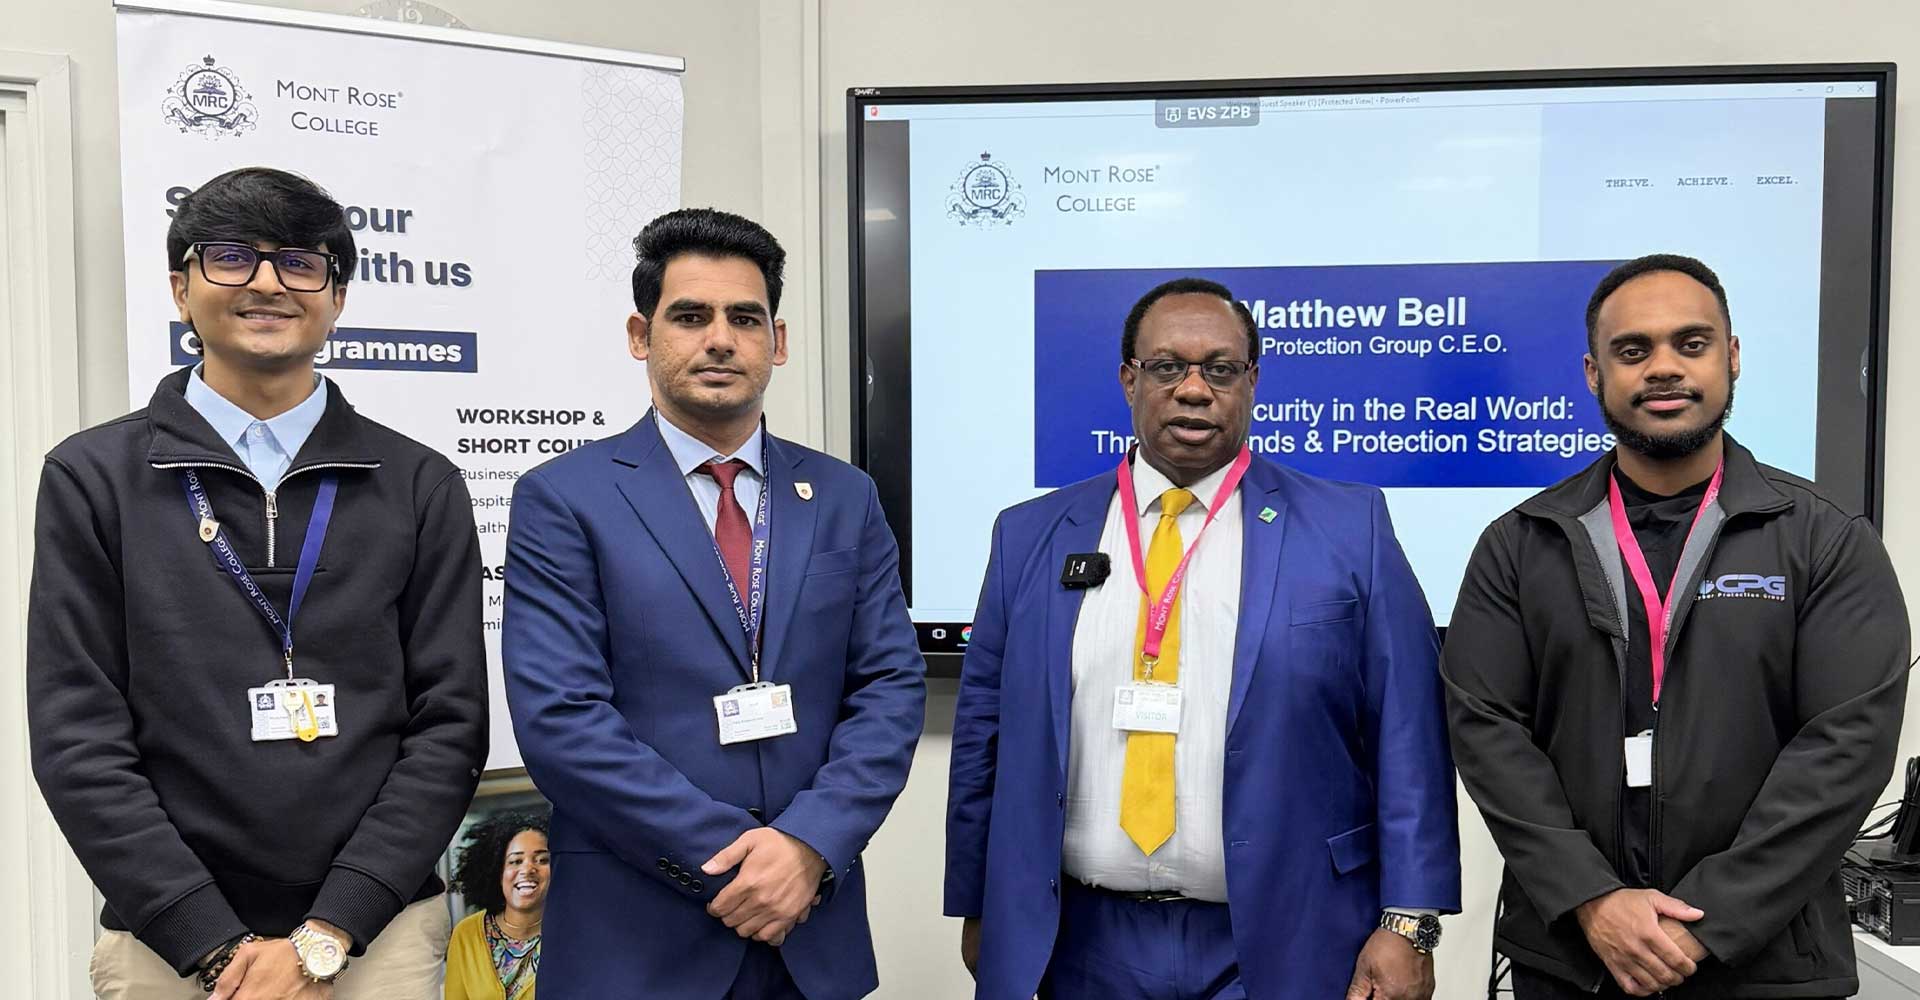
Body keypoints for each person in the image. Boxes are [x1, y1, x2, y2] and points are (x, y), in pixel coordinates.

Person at [27, 166, 488, 1000]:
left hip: (376, 941)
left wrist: (331, 929)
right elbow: (77, 738)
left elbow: (449, 727)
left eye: (301, 263)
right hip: (168, 946)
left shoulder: (419, 483)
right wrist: (210, 943)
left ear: (337, 297)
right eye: (232, 258)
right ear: (181, 288)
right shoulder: (94, 478)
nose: (269, 283)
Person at [945, 277, 1460, 1000]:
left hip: (1291, 935)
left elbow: (1409, 738)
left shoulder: (1351, 528)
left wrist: (1409, 925)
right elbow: (982, 738)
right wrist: (977, 904)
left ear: (1251, 381)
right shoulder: (1029, 534)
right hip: (1081, 943)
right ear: (1129, 378)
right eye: (1167, 367)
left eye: (1220, 369)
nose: (1194, 389)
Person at [1443, 253, 1911, 999]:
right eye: (1634, 351)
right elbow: (1488, 730)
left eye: (1690, 344)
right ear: (1595, 374)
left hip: (1766, 964)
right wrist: (1592, 899)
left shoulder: (1825, 540)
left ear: (1731, 358)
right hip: (1572, 961)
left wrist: (1709, 921)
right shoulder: (1522, 542)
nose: (1663, 368)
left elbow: (1846, 747)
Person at [502, 207, 926, 1000]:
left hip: (811, 929)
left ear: (779, 340)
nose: (720, 339)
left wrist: (807, 846)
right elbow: (561, 719)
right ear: (641, 335)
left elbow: (890, 690)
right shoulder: (565, 499)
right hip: (637, 938)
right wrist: (740, 859)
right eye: (690, 316)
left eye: (745, 317)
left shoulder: (842, 496)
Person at [446, 810, 551, 1000]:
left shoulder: (570, 934)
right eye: (515, 861)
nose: (528, 868)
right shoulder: (466, 934)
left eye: (542, 860)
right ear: (497, 871)